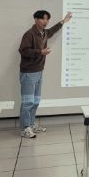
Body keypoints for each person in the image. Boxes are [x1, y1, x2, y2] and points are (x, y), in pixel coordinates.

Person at [18, 9, 73, 138]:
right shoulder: (29, 34)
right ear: (36, 19)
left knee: (35, 101)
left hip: (39, 71)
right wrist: (40, 52)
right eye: (43, 18)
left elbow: (52, 30)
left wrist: (63, 21)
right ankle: (24, 128)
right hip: (28, 72)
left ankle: (31, 124)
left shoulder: (44, 33)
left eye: (47, 19)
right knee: (27, 102)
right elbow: (23, 51)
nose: (46, 21)